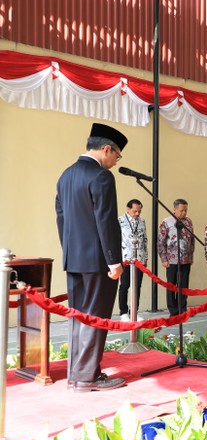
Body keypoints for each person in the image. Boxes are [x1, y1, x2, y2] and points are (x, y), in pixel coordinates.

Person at [55, 122, 126, 392]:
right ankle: (87, 378)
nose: (115, 162)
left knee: (79, 317)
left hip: (74, 259)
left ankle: (78, 373)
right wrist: (114, 262)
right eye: (116, 156)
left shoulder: (66, 175)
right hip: (98, 262)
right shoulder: (101, 177)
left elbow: (61, 218)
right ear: (107, 149)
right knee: (95, 318)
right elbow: (106, 221)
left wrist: (70, 252)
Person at [158, 199, 195, 315]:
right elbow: (160, 242)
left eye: (185, 210)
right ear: (174, 209)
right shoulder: (166, 222)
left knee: (183, 285)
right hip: (172, 259)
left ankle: (182, 308)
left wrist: (191, 255)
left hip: (186, 259)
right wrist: (164, 259)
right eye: (181, 210)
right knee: (171, 285)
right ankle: (173, 310)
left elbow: (192, 240)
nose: (184, 213)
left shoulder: (188, 221)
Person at [118, 199, 147, 322]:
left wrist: (145, 258)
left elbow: (145, 240)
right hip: (125, 258)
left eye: (139, 211)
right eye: (135, 211)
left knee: (137, 286)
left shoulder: (142, 221)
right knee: (125, 285)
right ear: (128, 209)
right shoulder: (120, 221)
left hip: (139, 259)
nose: (137, 214)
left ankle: (134, 312)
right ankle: (123, 312)